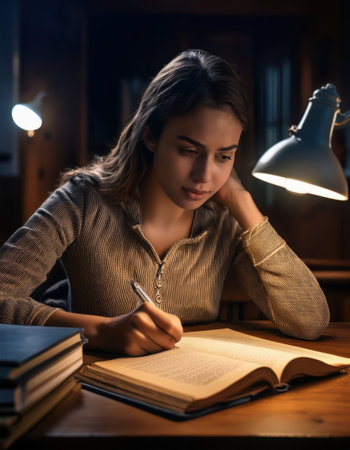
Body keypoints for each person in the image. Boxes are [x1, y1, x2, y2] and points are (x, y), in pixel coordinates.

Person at [0, 49, 329, 355]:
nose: (204, 176)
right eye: (189, 150)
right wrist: (101, 331)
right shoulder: (82, 201)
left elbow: (310, 321)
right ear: (151, 136)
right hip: (91, 400)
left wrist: (243, 203)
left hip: (196, 399)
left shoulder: (225, 220)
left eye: (224, 156)